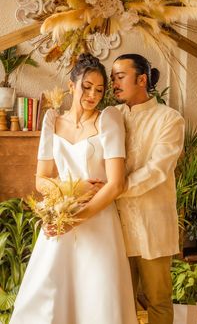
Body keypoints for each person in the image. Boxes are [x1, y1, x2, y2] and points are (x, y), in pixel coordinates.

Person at [10, 53, 137, 324]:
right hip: (60, 219)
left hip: (99, 220)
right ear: (72, 85)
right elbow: (41, 180)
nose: (92, 95)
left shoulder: (108, 119)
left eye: (100, 90)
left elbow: (116, 184)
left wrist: (76, 219)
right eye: (86, 86)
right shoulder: (51, 121)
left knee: (97, 295)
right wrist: (74, 188)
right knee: (49, 294)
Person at [111, 54, 185, 324]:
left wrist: (115, 188)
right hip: (116, 227)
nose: (114, 84)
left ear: (142, 79)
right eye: (112, 78)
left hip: (153, 225)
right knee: (119, 301)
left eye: (120, 77)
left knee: (158, 301)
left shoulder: (169, 119)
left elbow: (157, 170)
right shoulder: (112, 116)